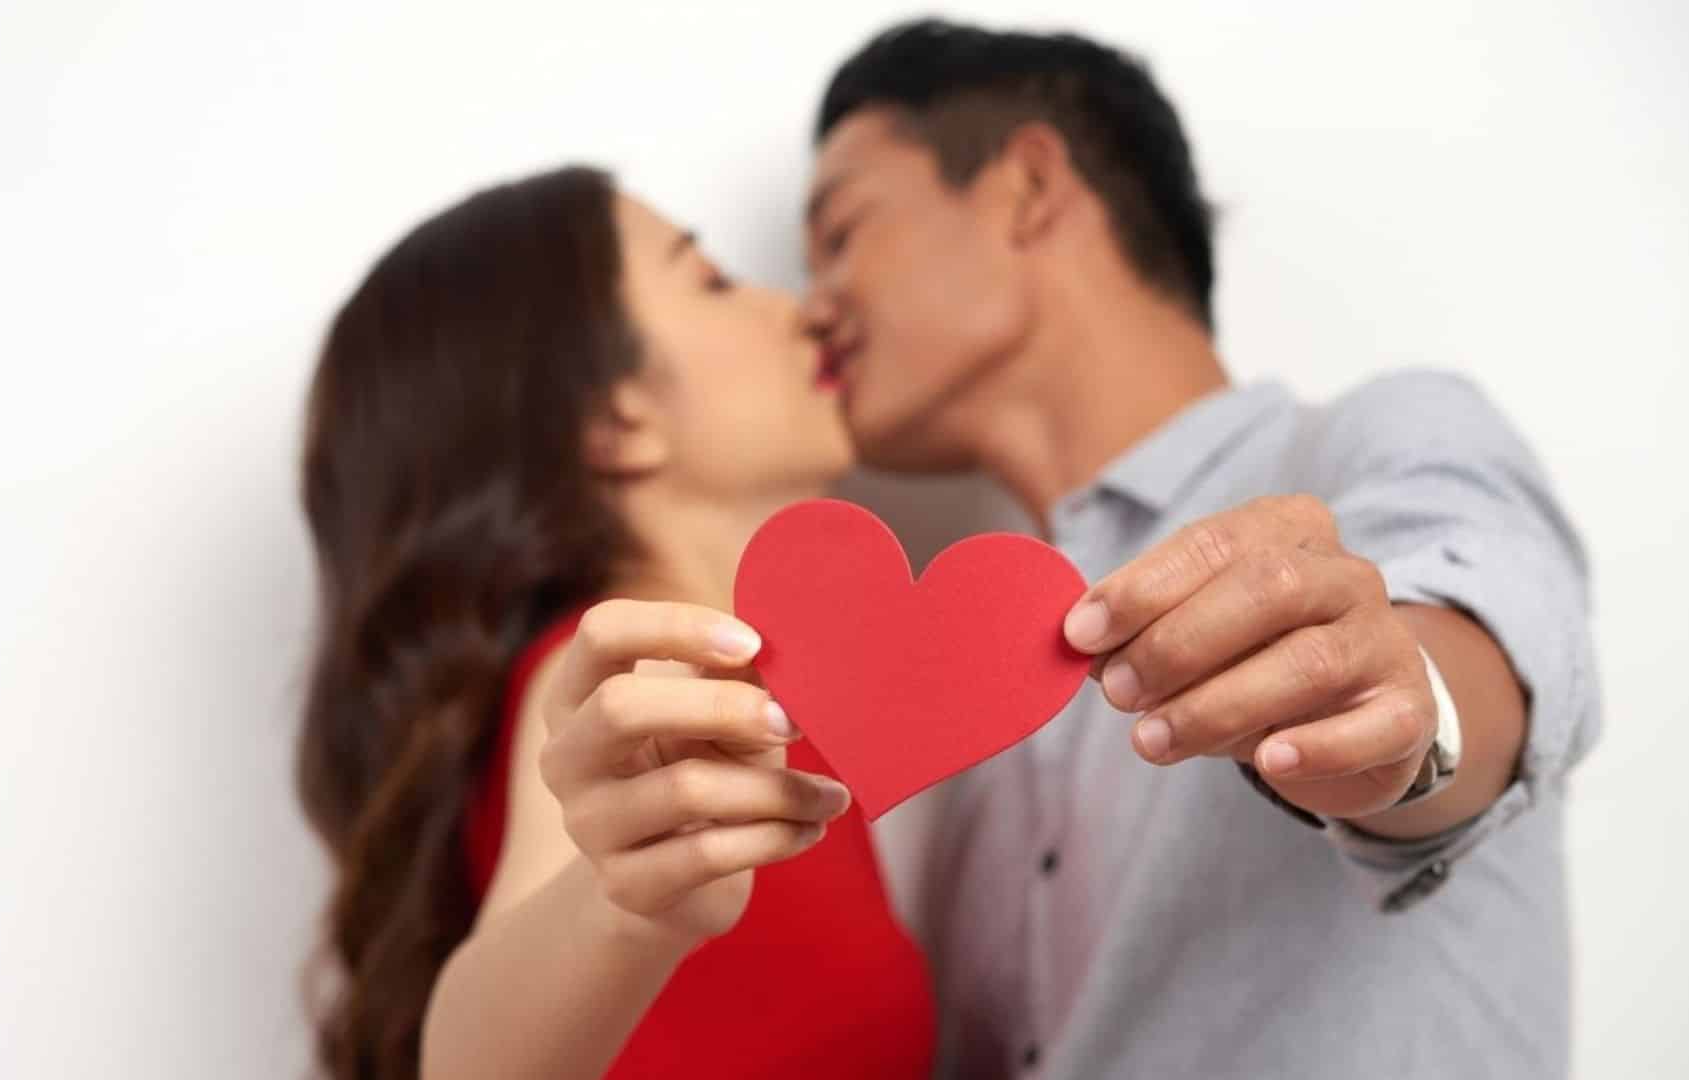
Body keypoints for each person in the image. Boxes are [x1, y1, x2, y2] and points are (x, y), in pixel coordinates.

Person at [797, 18, 1600, 1079]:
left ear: (1029, 188)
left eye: (842, 231)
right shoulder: (968, 742)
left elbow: (1495, 622)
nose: (814, 306)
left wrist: (1405, 713)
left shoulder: (1371, 445)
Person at [294, 167, 933, 1080]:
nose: (801, 312)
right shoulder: (628, 690)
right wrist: (623, 906)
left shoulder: (755, 707)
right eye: (710, 280)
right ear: (616, 421)